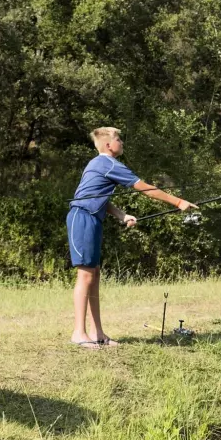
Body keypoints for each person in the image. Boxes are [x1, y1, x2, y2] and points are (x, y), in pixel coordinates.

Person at [67, 127, 197, 350]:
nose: (122, 143)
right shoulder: (108, 164)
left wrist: (121, 215)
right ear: (108, 145)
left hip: (91, 218)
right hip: (83, 218)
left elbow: (99, 198)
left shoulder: (98, 164)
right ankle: (79, 333)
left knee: (94, 274)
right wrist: (178, 202)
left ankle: (97, 333)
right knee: (85, 275)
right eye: (119, 139)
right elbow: (144, 188)